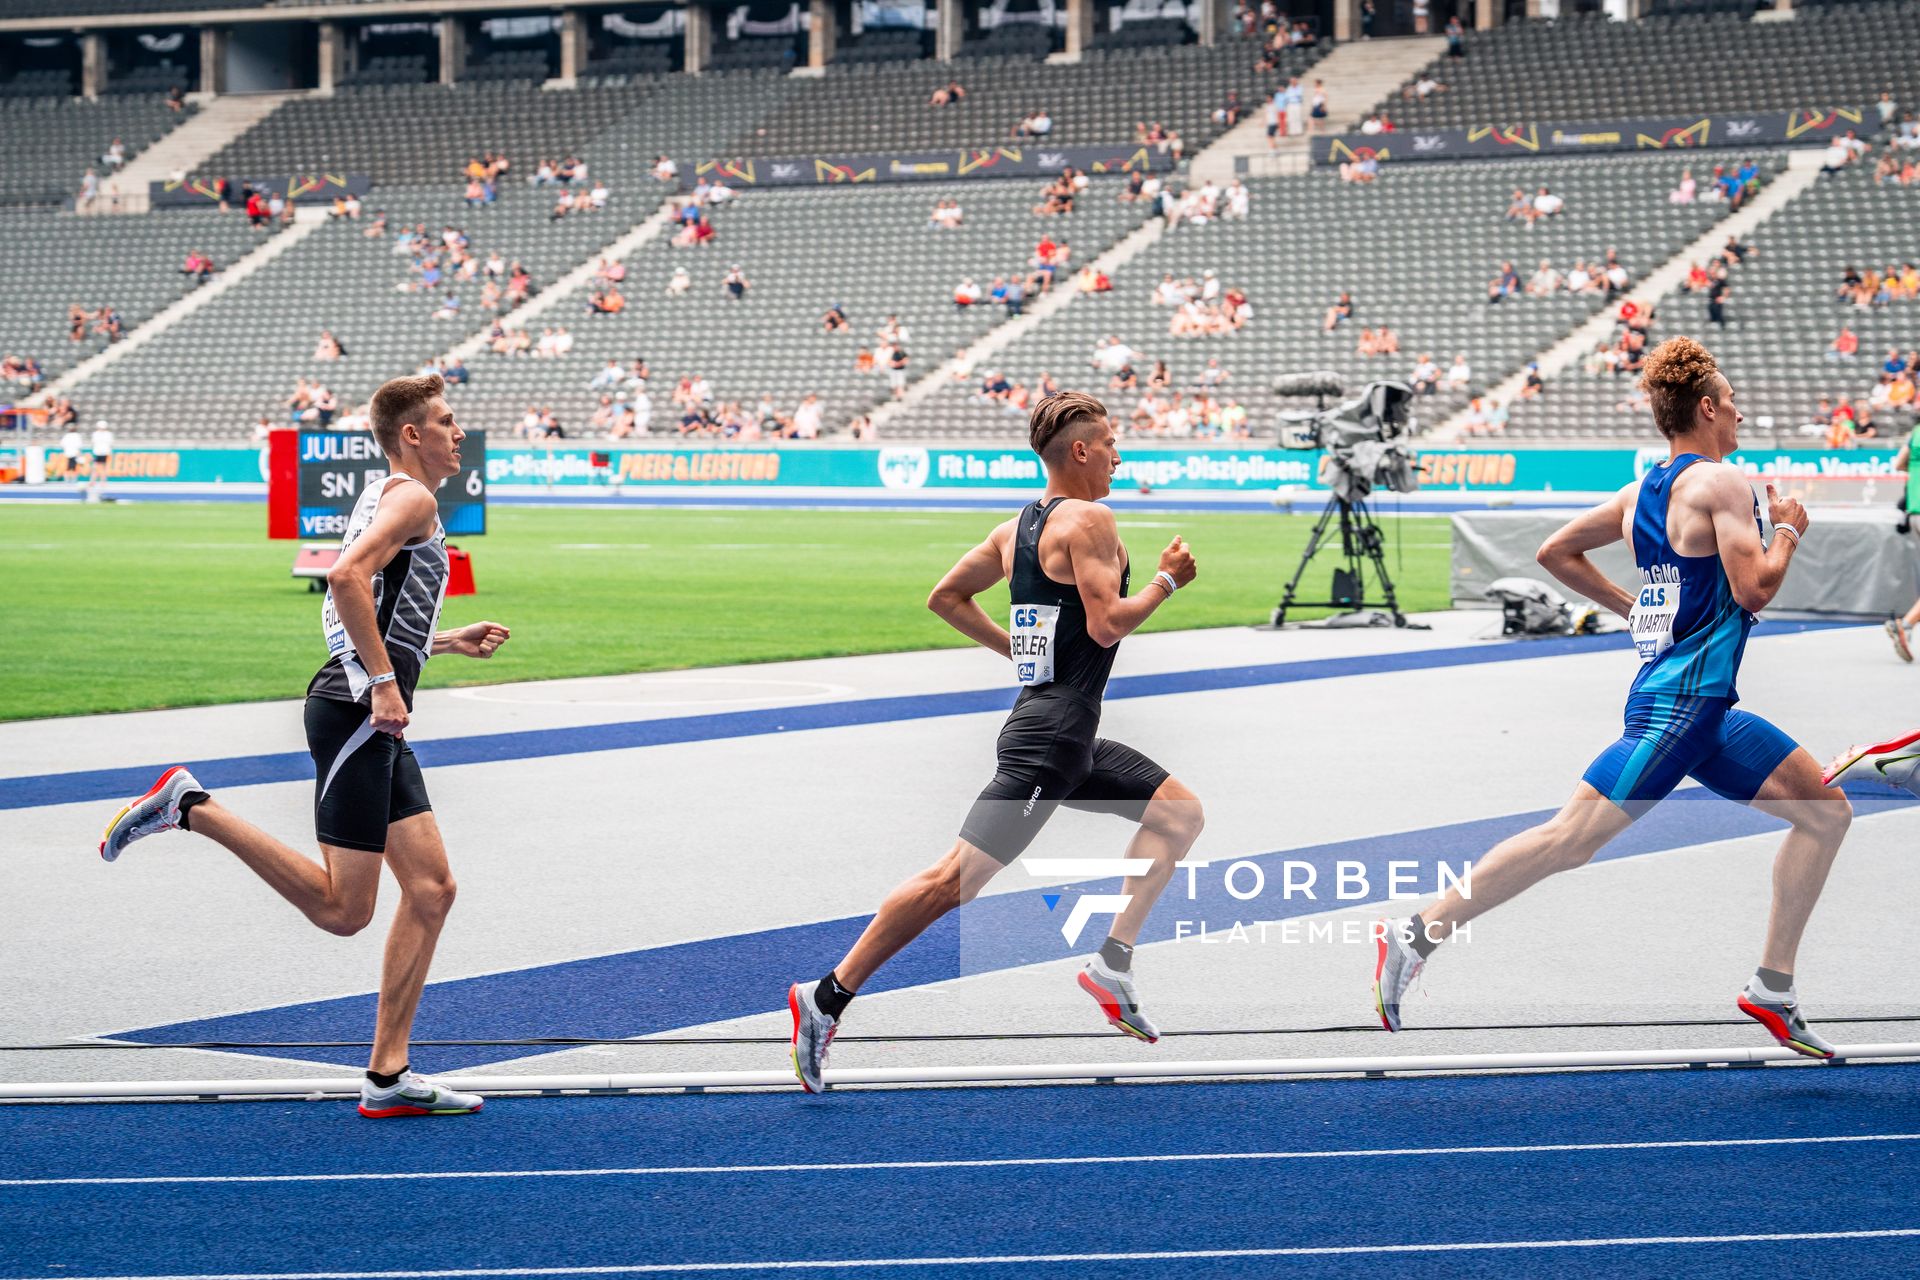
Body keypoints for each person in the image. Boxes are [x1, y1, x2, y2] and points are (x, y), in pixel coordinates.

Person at [1372, 337, 1851, 1060]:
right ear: (1709, 408)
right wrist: (1785, 529)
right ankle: (1417, 933)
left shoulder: (1641, 493)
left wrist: (1632, 608)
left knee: (1822, 811)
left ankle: (1772, 987)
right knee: (1571, 838)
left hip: (1702, 707)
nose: (1744, 414)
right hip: (1678, 708)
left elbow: (1554, 552)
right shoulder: (1724, 485)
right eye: (1734, 402)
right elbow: (1756, 589)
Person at [97, 375, 513, 1119]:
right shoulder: (410, 498)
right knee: (343, 910)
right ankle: (190, 806)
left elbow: (371, 605)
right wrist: (386, 685)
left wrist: (444, 642)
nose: (459, 434)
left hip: (365, 710)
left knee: (430, 889)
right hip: (360, 713)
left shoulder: (390, 498)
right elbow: (346, 577)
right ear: (412, 435)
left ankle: (388, 1078)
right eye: (448, 423)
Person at [786, 393, 1204, 1093]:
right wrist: (1166, 581)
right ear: (1079, 451)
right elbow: (1107, 627)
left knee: (1180, 813)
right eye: (1109, 444)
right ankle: (826, 997)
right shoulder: (1092, 519)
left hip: (1061, 735)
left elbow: (945, 597)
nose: (1118, 456)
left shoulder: (1016, 529)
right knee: (954, 880)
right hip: (1050, 745)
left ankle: (1113, 962)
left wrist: (1014, 648)